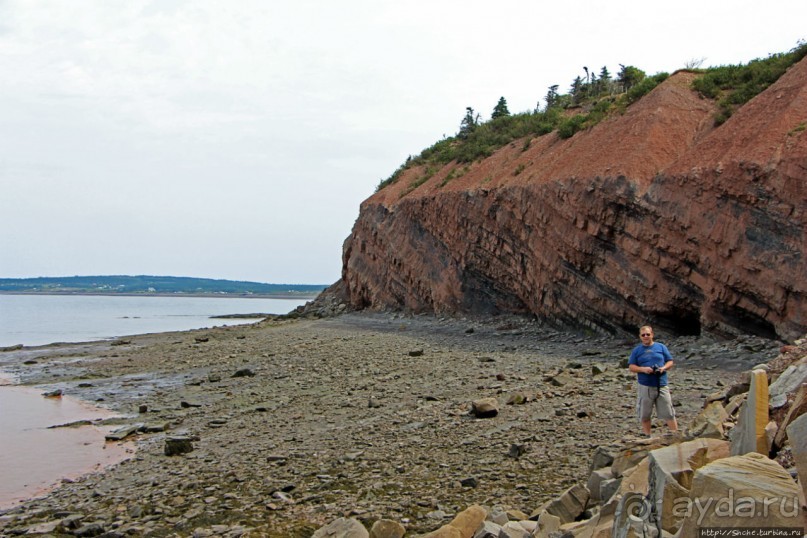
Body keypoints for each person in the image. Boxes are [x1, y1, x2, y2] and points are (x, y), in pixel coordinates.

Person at [628, 325, 678, 436]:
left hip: (661, 384)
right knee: (645, 414)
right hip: (645, 385)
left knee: (669, 412)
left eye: (648, 334)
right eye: (643, 335)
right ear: (640, 337)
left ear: (652, 335)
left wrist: (663, 368)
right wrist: (643, 369)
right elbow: (631, 367)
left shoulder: (661, 347)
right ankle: (647, 436)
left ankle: (675, 435)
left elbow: (670, 361)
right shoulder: (637, 351)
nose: (646, 336)